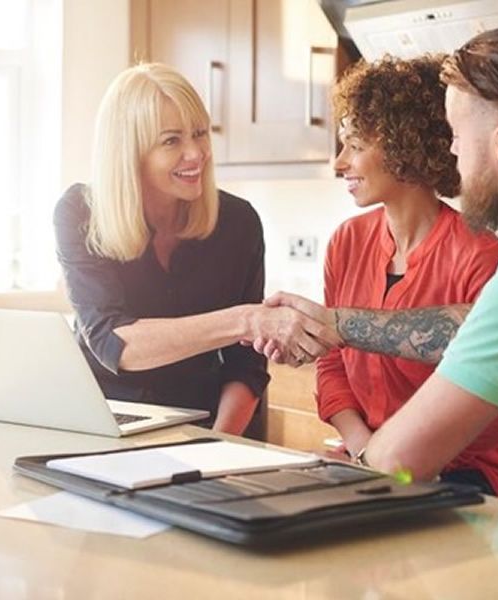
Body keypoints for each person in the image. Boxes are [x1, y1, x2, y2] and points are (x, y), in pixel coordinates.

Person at [262, 24, 498, 512]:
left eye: (457, 134)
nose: (450, 152)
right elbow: (473, 326)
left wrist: (360, 462)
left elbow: (398, 460)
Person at [53, 63, 338, 435]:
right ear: (130, 152)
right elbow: (113, 341)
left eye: (200, 134)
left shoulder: (238, 222)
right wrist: (246, 319)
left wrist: (218, 443)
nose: (196, 153)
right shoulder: (80, 213)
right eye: (172, 140)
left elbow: (245, 364)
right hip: (103, 425)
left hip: (206, 426)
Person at [315, 55, 498, 499]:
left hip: (469, 477)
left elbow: (478, 400)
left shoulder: (480, 255)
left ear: (401, 144)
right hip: (369, 463)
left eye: (354, 145)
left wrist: (386, 464)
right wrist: (364, 451)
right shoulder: (345, 243)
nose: (339, 163)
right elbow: (331, 363)